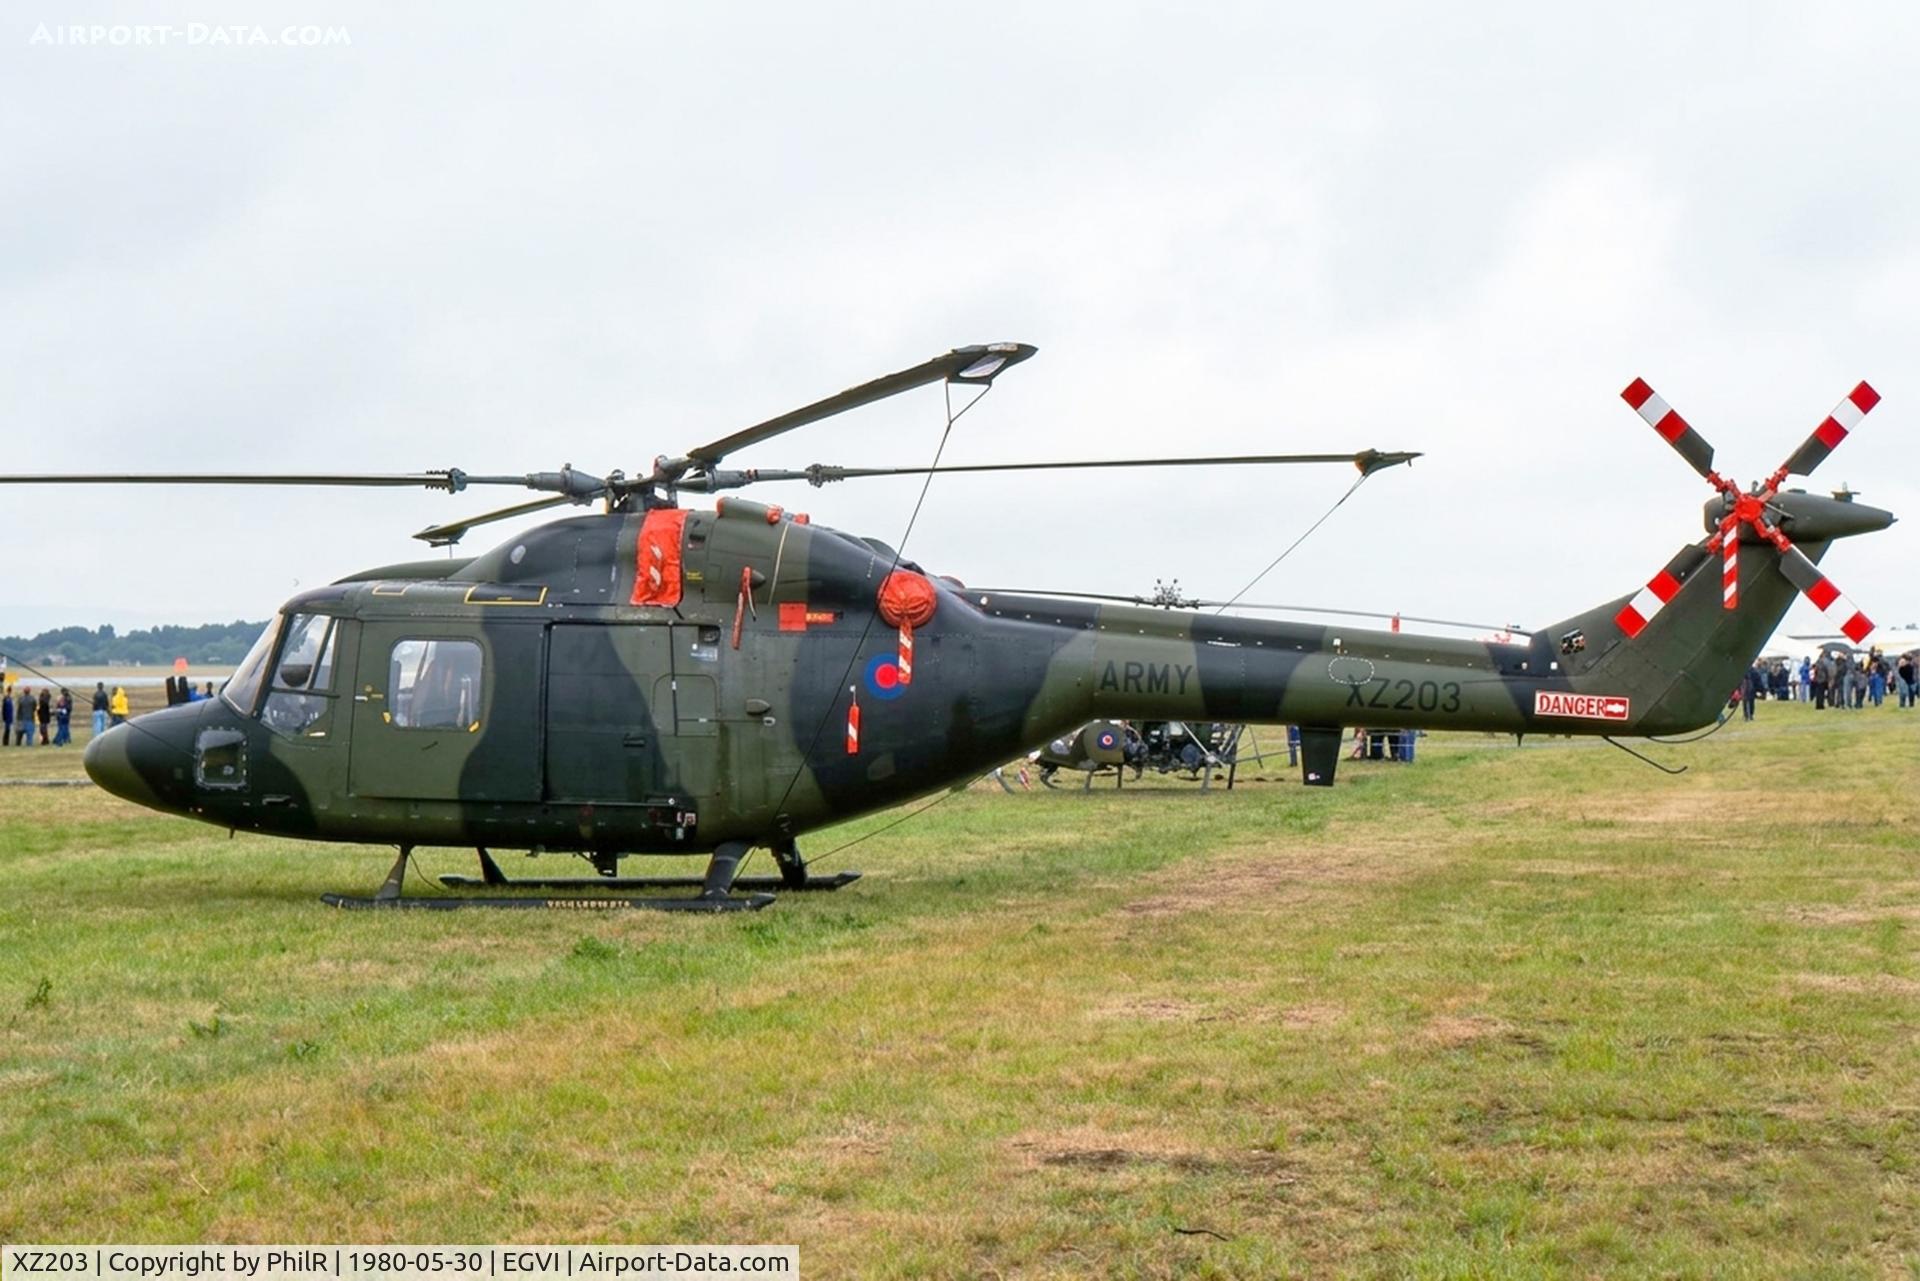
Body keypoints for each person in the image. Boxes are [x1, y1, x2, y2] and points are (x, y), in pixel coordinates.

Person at [1, 682, 11, 746]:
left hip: (8, 718)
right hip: (5, 718)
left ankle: (6, 743)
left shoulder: (8, 698)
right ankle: (4, 742)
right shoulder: (5, 699)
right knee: (5, 730)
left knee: (7, 730)